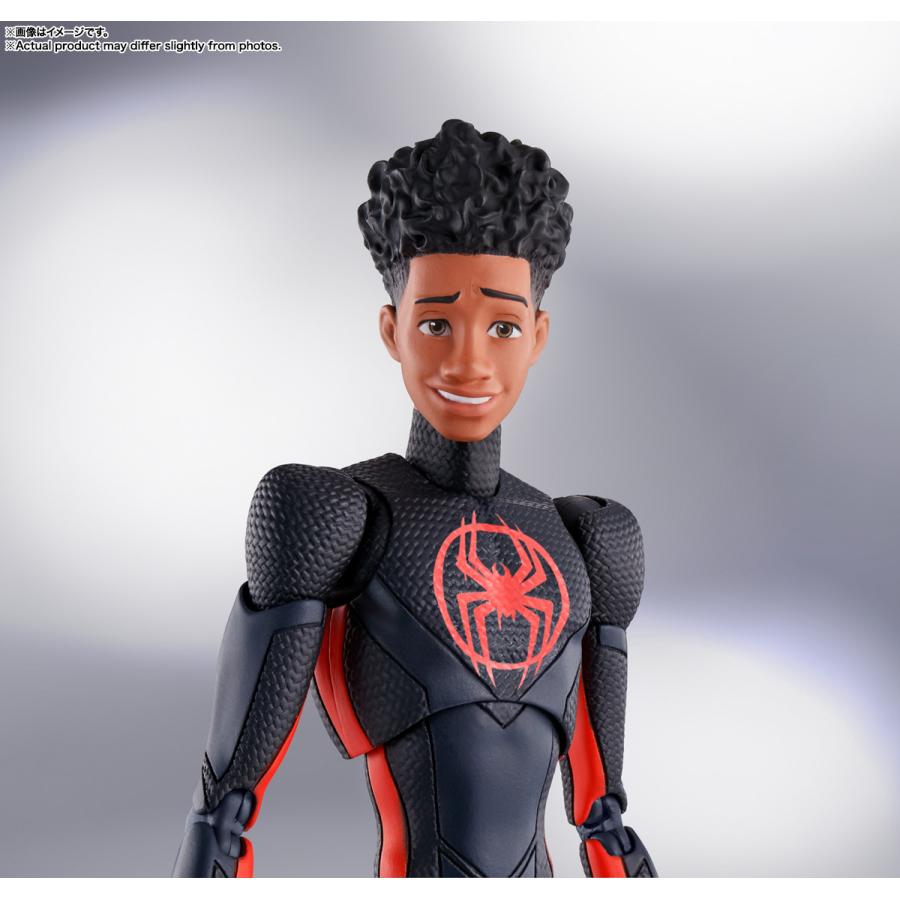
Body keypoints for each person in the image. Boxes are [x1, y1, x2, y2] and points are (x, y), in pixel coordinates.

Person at [172, 119, 657, 878]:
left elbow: (604, 819)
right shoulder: (333, 515)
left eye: (502, 327)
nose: (469, 362)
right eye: (436, 323)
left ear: (538, 337)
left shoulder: (590, 541)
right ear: (392, 330)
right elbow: (226, 808)